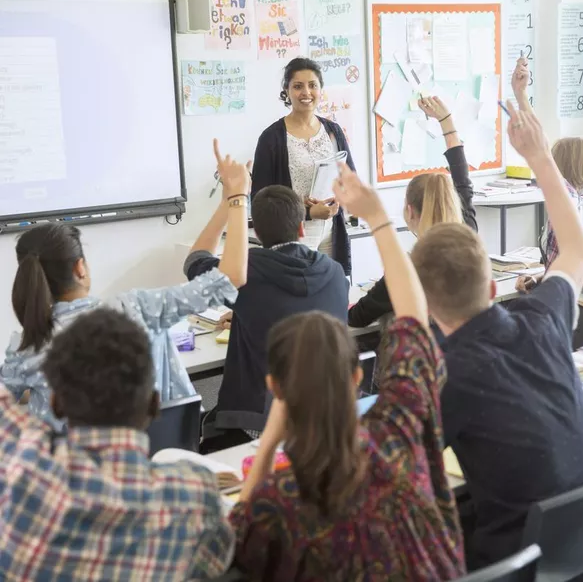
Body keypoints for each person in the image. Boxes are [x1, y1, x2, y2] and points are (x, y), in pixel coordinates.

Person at [228, 161, 465, 580]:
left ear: (275, 388)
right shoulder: (402, 432)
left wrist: (266, 446)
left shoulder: (277, 501)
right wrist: (377, 218)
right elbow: (413, 314)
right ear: (357, 376)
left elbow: (230, 544)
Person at [410, 101, 583, 569]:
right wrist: (539, 156)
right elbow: (577, 247)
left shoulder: (446, 375)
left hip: (517, 562)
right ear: (494, 287)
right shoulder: (543, 320)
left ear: (429, 308)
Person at [0, 140, 249, 430]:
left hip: (72, 470)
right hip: (159, 458)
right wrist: (237, 197)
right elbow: (231, 277)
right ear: (80, 267)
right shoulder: (137, 308)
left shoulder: (25, 346)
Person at [0, 307, 234, 580]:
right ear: (154, 405)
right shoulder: (195, 496)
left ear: (56, 403)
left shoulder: (21, 473)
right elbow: (217, 563)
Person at [184, 182, 349, 451]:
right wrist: (242, 313)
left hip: (261, 425)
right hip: (325, 418)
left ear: (257, 233)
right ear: (301, 228)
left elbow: (194, 261)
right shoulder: (335, 272)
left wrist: (230, 200)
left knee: (204, 429)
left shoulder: (246, 273)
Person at [347, 95, 477, 329]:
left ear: (409, 211)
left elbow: (357, 317)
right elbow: (463, 181)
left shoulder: (407, 269)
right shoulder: (469, 235)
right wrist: (446, 121)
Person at [513, 56, 583, 347]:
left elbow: (545, 158)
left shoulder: (576, 205)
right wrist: (541, 281)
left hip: (573, 314)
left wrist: (521, 98)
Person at [251, 57, 355, 276]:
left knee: (332, 295)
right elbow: (261, 202)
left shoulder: (333, 131)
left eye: (312, 85)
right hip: (293, 235)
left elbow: (350, 180)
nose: (306, 92)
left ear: (321, 90)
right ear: (286, 91)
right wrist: (307, 211)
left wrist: (339, 200)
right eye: (298, 86)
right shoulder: (271, 138)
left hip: (332, 229)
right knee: (303, 299)